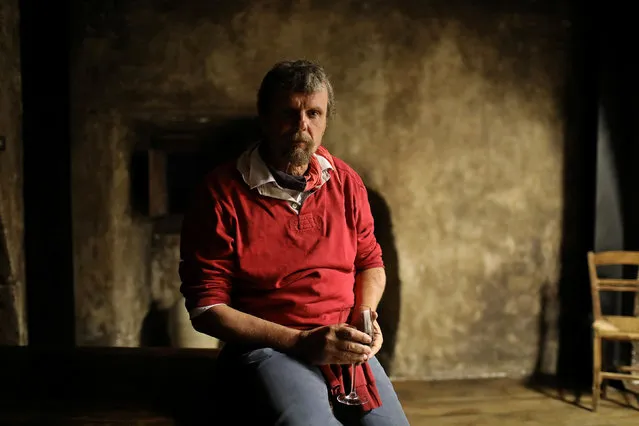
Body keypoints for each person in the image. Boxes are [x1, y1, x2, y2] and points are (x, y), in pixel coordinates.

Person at [178, 59, 409, 425]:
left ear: (326, 121)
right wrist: (301, 342)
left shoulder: (346, 183)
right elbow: (206, 308)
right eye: (289, 113)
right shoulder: (219, 194)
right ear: (264, 117)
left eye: (314, 113)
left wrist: (365, 316)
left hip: (343, 343)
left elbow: (370, 262)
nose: (302, 126)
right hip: (271, 347)